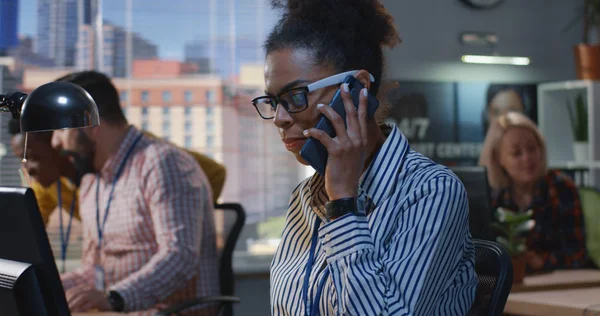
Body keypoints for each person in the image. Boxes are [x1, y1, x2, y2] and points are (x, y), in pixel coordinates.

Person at [254, 0, 477, 314]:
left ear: (356, 88)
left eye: (295, 96)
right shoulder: (306, 196)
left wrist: (344, 203)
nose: (279, 117)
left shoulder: (430, 190)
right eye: (273, 100)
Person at [51, 71, 220, 314]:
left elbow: (180, 257)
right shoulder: (91, 182)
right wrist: (48, 287)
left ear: (90, 124)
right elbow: (94, 270)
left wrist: (114, 298)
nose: (55, 143)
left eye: (61, 130)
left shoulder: (162, 163)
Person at [8, 118, 227, 226]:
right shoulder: (47, 184)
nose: (27, 167)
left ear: (59, 145)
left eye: (33, 157)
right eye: (22, 160)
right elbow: (27, 232)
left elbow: (215, 173)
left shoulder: (140, 151)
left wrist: (176, 216)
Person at [479, 111, 588, 272]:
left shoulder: (562, 188)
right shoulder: (490, 196)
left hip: (559, 285)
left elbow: (578, 255)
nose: (527, 158)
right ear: (498, 158)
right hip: (508, 285)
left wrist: (542, 261)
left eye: (532, 148)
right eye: (516, 153)